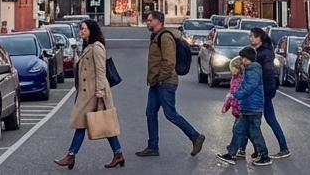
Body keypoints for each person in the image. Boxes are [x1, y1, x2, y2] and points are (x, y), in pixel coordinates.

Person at [55, 19, 124, 170]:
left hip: (94, 92)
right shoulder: (88, 46)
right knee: (99, 123)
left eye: (84, 29)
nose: (82, 31)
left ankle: (71, 156)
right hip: (87, 92)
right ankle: (118, 153)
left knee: (92, 123)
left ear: (92, 30)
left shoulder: (97, 47)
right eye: (81, 29)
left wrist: (99, 92)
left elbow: (100, 71)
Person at [135, 11, 205, 157]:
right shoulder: (155, 36)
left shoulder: (165, 37)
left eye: (150, 20)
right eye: (147, 20)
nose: (147, 22)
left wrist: (161, 78)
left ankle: (195, 136)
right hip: (156, 82)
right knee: (150, 113)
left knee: (170, 114)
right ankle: (153, 146)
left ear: (158, 21)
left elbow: (169, 61)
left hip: (165, 82)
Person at [217, 47, 269, 167]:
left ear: (251, 58)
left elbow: (249, 88)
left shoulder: (254, 71)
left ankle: (264, 155)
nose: (244, 60)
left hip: (253, 107)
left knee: (254, 132)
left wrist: (235, 95)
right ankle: (231, 153)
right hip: (246, 107)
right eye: (242, 58)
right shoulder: (248, 70)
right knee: (238, 130)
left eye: (246, 58)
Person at [250, 27, 289, 158]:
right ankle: (248, 149)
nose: (252, 38)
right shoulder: (257, 51)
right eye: (250, 36)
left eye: (255, 36)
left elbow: (268, 73)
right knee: (253, 119)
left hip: (263, 90)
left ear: (261, 38)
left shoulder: (264, 53)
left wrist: (266, 90)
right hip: (261, 90)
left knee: (254, 119)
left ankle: (282, 148)